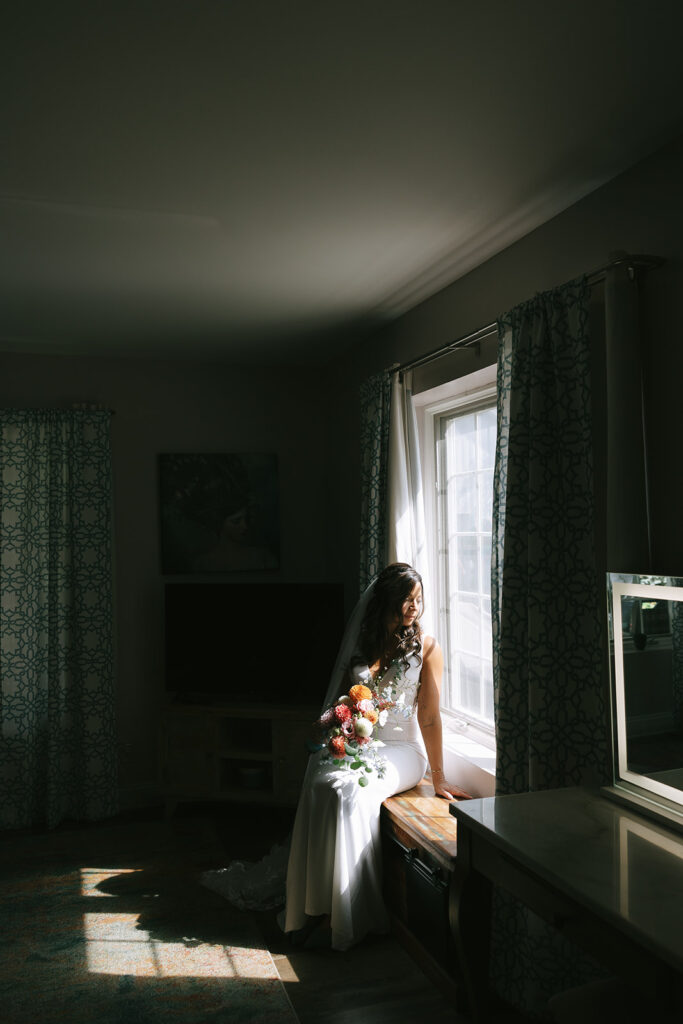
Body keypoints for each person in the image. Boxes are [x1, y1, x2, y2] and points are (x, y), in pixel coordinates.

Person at [282, 561, 470, 951]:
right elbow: (346, 699)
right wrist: (334, 722)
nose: (414, 607)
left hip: (403, 751)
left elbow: (429, 717)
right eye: (407, 599)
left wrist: (438, 778)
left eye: (419, 600)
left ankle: (350, 914)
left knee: (352, 794)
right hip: (364, 743)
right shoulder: (363, 642)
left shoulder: (427, 648)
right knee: (323, 783)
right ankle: (314, 905)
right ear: (386, 600)